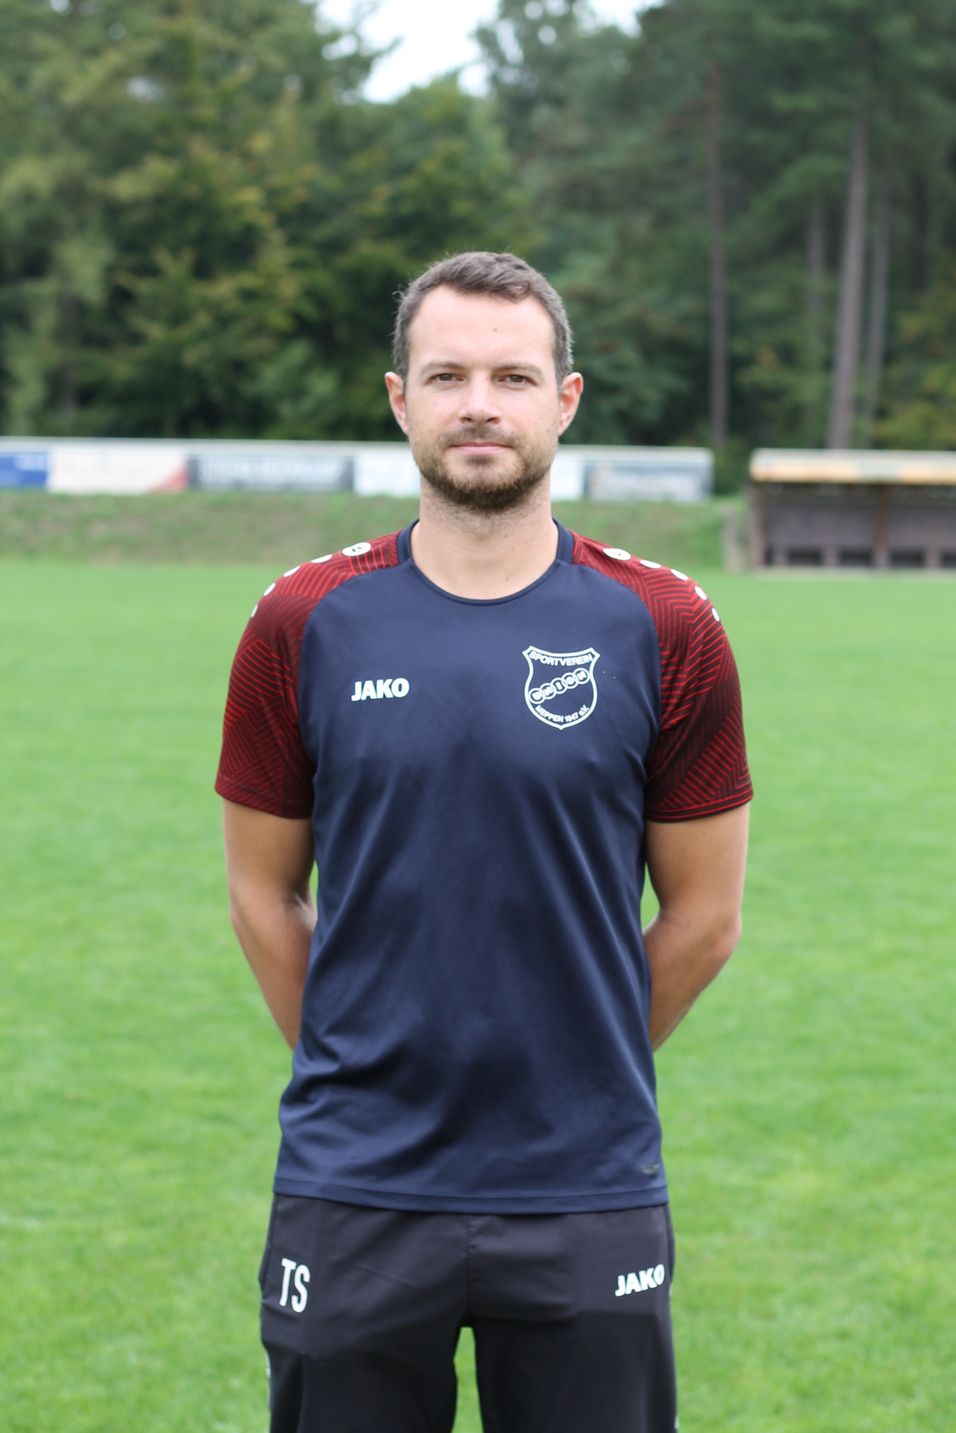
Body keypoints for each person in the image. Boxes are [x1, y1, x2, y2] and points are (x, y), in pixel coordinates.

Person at [217, 251, 752, 1433]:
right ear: (398, 397)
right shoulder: (301, 620)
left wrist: (582, 1053)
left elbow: (704, 919)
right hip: (355, 1185)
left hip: (585, 1185)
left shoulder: (663, 626)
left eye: (512, 376)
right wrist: (356, 1062)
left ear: (564, 400)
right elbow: (263, 894)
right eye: (446, 373)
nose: (477, 403)